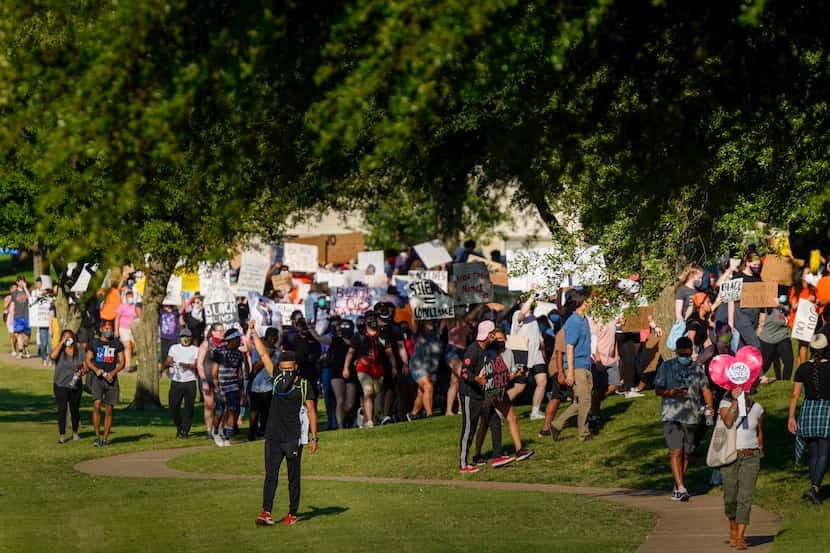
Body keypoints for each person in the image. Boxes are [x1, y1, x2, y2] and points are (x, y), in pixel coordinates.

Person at [249, 338, 319, 527]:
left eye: (290, 368)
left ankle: (292, 513)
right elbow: (263, 354)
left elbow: (311, 411)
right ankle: (266, 512)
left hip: (293, 438)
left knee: (293, 477)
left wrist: (314, 438)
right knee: (270, 475)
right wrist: (254, 333)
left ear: (296, 366)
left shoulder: (304, 385)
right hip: (273, 436)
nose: (286, 372)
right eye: (284, 368)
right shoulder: (277, 378)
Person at [654, 336, 714, 501]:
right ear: (677, 351)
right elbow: (658, 389)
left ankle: (677, 485)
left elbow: (706, 389)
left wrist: (710, 407)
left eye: (688, 354)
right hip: (671, 415)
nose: (685, 357)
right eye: (682, 354)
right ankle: (681, 487)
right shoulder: (666, 367)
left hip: (691, 416)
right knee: (676, 451)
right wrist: (670, 393)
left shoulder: (697, 369)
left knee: (686, 454)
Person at [457, 320, 514, 472]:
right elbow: (464, 372)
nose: (495, 335)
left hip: (483, 394)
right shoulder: (473, 350)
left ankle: (497, 456)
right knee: (469, 428)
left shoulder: (488, 348)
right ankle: (463, 464)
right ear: (488, 335)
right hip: (469, 394)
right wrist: (476, 379)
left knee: (495, 421)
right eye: (493, 333)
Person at [787, 330, 830, 505]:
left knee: (813, 454)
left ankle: (814, 489)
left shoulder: (803, 368)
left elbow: (795, 395)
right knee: (824, 454)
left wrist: (791, 417)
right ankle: (814, 488)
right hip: (827, 410)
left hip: (808, 411)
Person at [719, 387, 764, 550]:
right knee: (730, 498)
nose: (742, 390)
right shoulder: (724, 403)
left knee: (746, 497)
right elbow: (728, 422)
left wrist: (761, 448)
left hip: (751, 457)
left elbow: (759, 431)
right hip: (731, 456)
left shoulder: (757, 407)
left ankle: (740, 536)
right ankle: (732, 525)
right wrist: (735, 403)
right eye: (737, 387)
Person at [550, 290, 594, 442]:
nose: (591, 302)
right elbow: (569, 347)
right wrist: (569, 373)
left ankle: (556, 425)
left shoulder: (584, 319)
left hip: (586, 364)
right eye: (588, 300)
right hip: (577, 366)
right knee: (585, 401)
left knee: (581, 401)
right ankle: (584, 433)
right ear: (582, 303)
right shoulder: (574, 321)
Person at [344, 310, 395, 428]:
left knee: (375, 395)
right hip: (363, 369)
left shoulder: (382, 336)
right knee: (368, 392)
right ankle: (369, 421)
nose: (372, 320)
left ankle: (364, 418)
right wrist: (346, 367)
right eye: (369, 318)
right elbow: (350, 352)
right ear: (366, 320)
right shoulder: (359, 335)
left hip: (378, 370)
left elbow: (389, 353)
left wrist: (394, 367)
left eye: (373, 318)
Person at [85, 320, 125, 447]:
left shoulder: (116, 343)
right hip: (98, 379)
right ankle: (97, 436)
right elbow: (88, 360)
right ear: (101, 329)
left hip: (111, 380)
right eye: (106, 328)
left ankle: (105, 438)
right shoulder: (94, 343)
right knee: (96, 405)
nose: (109, 330)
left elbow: (122, 362)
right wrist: (96, 370)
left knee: (109, 410)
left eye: (110, 328)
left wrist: (112, 373)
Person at [510, 296, 547, 420]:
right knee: (519, 387)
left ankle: (535, 412)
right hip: (522, 355)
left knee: (542, 381)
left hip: (535, 355)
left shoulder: (533, 319)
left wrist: (543, 352)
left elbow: (539, 339)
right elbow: (522, 314)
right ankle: (496, 409)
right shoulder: (517, 314)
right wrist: (532, 296)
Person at [211, 327, 247, 446]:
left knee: (232, 411)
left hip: (234, 387)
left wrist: (242, 392)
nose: (239, 341)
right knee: (219, 412)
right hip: (221, 387)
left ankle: (227, 437)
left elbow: (240, 374)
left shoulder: (239, 354)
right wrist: (217, 388)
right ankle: (215, 431)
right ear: (231, 340)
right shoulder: (219, 351)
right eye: (237, 339)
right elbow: (214, 371)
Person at [163, 327, 199, 439]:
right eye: (183, 337)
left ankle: (185, 431)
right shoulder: (174, 348)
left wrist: (187, 365)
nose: (185, 339)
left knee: (189, 408)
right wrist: (168, 363)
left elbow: (198, 366)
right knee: (173, 407)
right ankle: (180, 426)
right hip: (176, 381)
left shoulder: (195, 349)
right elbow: (167, 362)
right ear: (180, 338)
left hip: (190, 381)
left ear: (191, 338)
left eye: (187, 337)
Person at [50, 329, 85, 443]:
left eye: (69, 337)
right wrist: (61, 343)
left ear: (74, 339)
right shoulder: (59, 350)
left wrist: (81, 372)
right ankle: (62, 435)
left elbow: (86, 365)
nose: (67, 339)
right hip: (60, 384)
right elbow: (52, 356)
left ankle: (75, 433)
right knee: (62, 410)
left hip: (75, 385)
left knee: (75, 409)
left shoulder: (79, 351)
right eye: (65, 337)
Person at [248, 326, 280, 440]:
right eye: (272, 336)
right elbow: (255, 366)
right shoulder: (258, 350)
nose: (274, 339)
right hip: (257, 386)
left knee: (268, 412)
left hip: (271, 386)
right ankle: (252, 433)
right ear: (266, 337)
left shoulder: (278, 352)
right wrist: (266, 356)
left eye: (276, 337)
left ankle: (265, 432)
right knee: (254, 412)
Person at [406, 319, 442, 420]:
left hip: (431, 366)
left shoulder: (437, 330)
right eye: (427, 320)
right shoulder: (418, 333)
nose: (430, 321)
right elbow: (414, 322)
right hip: (418, 365)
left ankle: (413, 414)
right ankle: (429, 414)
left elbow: (449, 320)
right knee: (428, 387)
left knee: (422, 392)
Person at [327, 319, 359, 429]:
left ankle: (345, 419)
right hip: (336, 373)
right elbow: (319, 338)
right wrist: (312, 329)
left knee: (350, 404)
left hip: (351, 373)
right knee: (340, 400)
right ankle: (340, 427)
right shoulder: (335, 340)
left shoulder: (355, 341)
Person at [197, 323, 224, 440]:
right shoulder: (206, 344)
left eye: (223, 331)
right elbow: (199, 364)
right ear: (213, 332)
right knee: (209, 405)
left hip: (220, 379)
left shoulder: (225, 344)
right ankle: (208, 431)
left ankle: (218, 429)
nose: (222, 333)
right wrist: (203, 381)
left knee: (221, 405)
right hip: (207, 377)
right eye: (219, 331)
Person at [759, 293, 793, 382]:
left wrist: (781, 306)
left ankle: (785, 381)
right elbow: (781, 321)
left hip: (782, 337)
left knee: (789, 360)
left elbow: (789, 311)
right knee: (765, 365)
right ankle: (757, 380)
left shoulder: (783, 307)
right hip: (768, 340)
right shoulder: (767, 310)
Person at [790, 267, 817, 366]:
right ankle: (803, 370)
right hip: (797, 322)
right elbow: (794, 306)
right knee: (804, 345)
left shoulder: (812, 289)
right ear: (801, 276)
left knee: (802, 346)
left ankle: (799, 372)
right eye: (808, 273)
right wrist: (807, 299)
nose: (810, 275)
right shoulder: (795, 289)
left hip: (808, 321)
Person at [115, 290, 141, 372]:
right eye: (129, 297)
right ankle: (128, 366)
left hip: (134, 329)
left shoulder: (135, 306)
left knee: (133, 346)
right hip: (123, 328)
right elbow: (117, 318)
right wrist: (116, 330)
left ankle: (132, 362)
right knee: (127, 346)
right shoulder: (122, 306)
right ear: (126, 298)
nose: (130, 298)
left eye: (131, 297)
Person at [10, 276, 32, 358]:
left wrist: (25, 288)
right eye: (20, 281)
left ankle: (26, 346)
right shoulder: (14, 293)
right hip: (17, 317)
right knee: (19, 334)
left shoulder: (28, 291)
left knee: (27, 335)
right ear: (17, 282)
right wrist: (11, 316)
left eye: (23, 281)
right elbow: (12, 304)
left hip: (27, 316)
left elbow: (30, 298)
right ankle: (21, 352)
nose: (21, 283)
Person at [158, 303, 180, 368]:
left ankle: (172, 366)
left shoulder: (175, 312)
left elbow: (181, 309)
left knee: (173, 354)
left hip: (173, 337)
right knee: (164, 353)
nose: (166, 306)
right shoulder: (161, 311)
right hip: (164, 337)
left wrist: (181, 297)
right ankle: (163, 366)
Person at [4, 283, 16, 354]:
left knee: (17, 335)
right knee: (12, 335)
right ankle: (13, 350)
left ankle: (13, 347)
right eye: (13, 288)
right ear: (11, 290)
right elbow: (5, 306)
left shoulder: (19, 296)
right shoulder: (8, 297)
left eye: (16, 288)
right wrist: (11, 299)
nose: (15, 289)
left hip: (18, 317)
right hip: (10, 318)